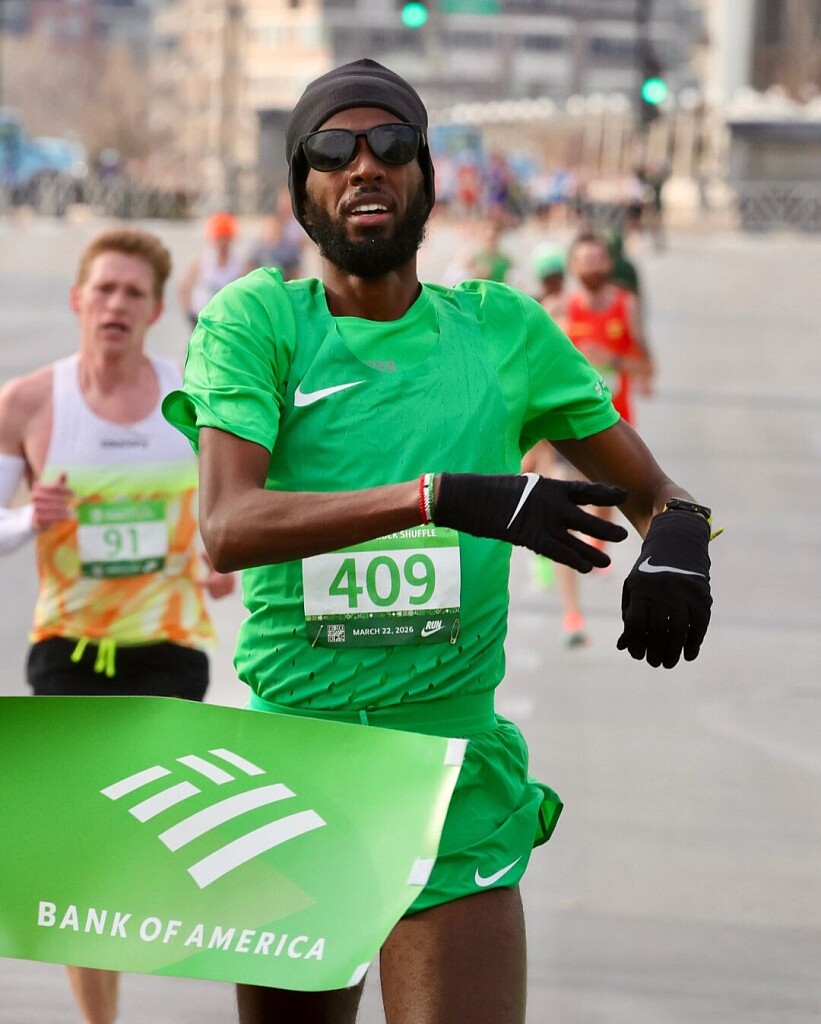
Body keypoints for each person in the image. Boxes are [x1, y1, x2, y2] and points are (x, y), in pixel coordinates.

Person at [163, 58, 715, 1024]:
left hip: (449, 769)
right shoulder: (258, 323)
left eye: (392, 144)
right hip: (298, 768)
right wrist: (439, 498)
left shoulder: (502, 331)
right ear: (300, 184)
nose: (363, 166)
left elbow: (659, 496)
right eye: (333, 149)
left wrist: (677, 544)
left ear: (427, 174)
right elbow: (228, 527)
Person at [0, 226, 235, 1024]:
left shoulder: (191, 400)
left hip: (168, 651)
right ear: (78, 298)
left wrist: (221, 556)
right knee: (82, 860)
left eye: (134, 292)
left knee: (134, 850)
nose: (116, 304)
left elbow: (233, 506)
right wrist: (26, 518)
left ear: (157, 310)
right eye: (104, 288)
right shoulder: (30, 402)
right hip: (65, 650)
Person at [177, 210, 245, 328]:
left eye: (226, 238)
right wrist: (189, 314)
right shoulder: (201, 262)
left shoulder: (239, 265)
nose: (222, 243)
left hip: (228, 321)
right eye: (219, 238)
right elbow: (183, 287)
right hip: (203, 319)